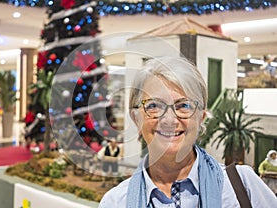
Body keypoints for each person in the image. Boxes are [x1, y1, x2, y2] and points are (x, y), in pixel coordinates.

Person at [98, 56, 277, 207]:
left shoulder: (242, 187)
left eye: (183, 105)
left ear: (201, 117)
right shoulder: (115, 202)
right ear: (137, 118)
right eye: (154, 106)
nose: (169, 119)